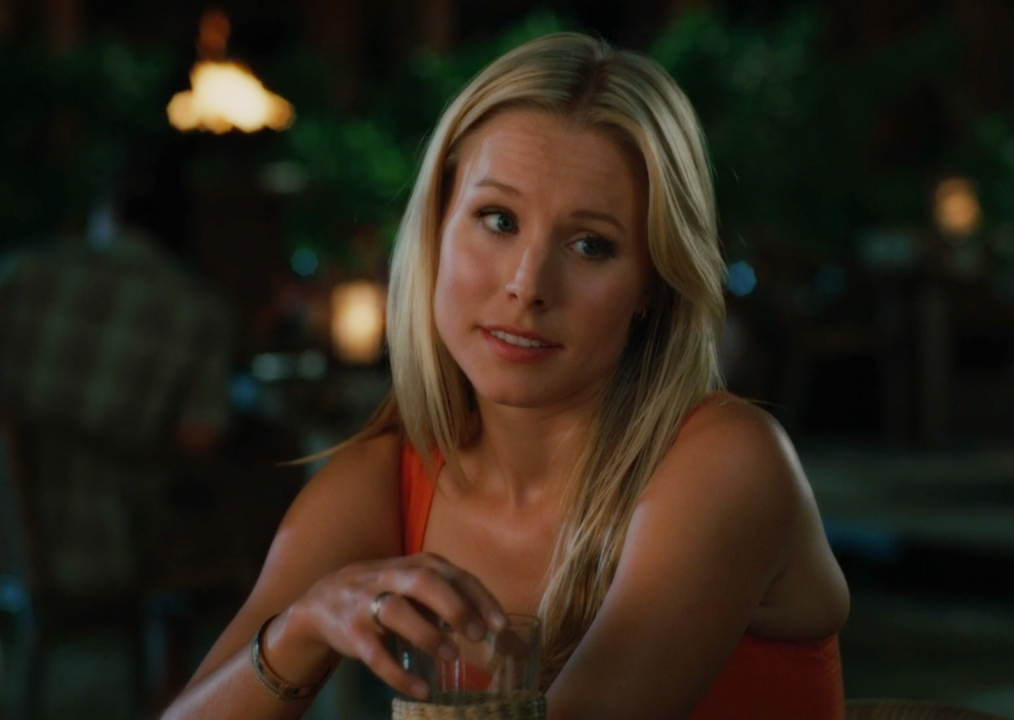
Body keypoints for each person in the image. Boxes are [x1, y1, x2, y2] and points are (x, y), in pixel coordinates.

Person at [164, 32, 850, 719]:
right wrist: (297, 632)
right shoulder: (385, 482)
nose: (528, 284)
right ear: (436, 227)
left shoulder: (728, 463)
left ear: (652, 285)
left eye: (590, 245)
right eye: (498, 219)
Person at [0, 150, 232, 596]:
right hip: (108, 545)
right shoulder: (197, 308)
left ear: (111, 208)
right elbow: (199, 439)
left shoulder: (23, 269)